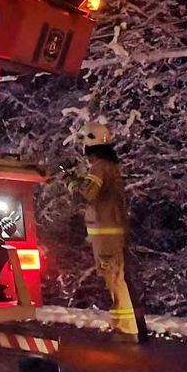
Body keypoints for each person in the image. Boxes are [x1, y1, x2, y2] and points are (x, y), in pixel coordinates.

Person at [75, 122, 147, 342]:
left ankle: (127, 330)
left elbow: (88, 194)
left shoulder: (99, 167)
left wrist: (72, 183)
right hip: (115, 232)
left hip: (106, 235)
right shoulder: (111, 167)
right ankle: (137, 326)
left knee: (114, 280)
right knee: (122, 278)